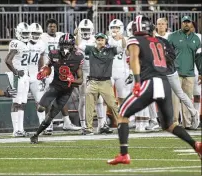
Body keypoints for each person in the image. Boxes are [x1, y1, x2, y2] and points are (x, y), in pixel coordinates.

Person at [107, 15, 202, 165]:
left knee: (122, 114)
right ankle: (195, 145)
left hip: (149, 82)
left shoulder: (135, 40)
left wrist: (137, 81)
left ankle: (124, 154)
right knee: (169, 124)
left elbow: (133, 59)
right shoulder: (158, 41)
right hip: (164, 82)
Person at [30, 33, 84, 144]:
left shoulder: (78, 57)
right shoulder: (54, 54)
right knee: (40, 108)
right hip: (55, 87)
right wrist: (44, 70)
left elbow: (80, 80)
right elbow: (48, 65)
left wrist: (71, 80)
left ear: (73, 46)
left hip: (66, 91)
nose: (65, 47)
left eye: (68, 45)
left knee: (50, 116)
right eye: (64, 45)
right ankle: (38, 131)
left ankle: (36, 135)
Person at [40, 19, 81, 134]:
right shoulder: (41, 37)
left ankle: (67, 122)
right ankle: (48, 125)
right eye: (50, 26)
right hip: (49, 68)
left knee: (62, 96)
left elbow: (73, 44)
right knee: (48, 97)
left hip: (60, 69)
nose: (52, 28)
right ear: (46, 28)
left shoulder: (61, 36)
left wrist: (76, 34)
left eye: (54, 26)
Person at [81, 32, 119, 134]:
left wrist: (121, 38)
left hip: (105, 82)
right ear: (95, 40)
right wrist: (78, 35)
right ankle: (88, 128)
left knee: (113, 104)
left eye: (102, 39)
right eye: (98, 39)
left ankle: (122, 124)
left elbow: (123, 48)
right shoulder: (91, 49)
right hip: (93, 81)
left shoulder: (111, 50)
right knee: (89, 105)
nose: (100, 41)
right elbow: (78, 46)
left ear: (105, 40)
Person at [75, 19, 108, 134]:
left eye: (87, 29)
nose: (85, 32)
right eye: (83, 29)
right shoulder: (77, 41)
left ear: (92, 30)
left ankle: (101, 125)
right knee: (83, 99)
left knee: (99, 99)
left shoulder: (96, 39)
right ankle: (83, 125)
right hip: (83, 71)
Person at [168, 16, 201, 129]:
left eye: (188, 22)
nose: (186, 24)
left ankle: (187, 123)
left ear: (191, 23)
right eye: (184, 22)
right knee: (175, 99)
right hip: (175, 72)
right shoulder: (173, 36)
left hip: (190, 73)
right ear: (181, 23)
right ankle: (175, 122)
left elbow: (198, 57)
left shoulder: (196, 39)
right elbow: (166, 54)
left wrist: (200, 72)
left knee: (187, 98)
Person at [5, 22, 31, 137]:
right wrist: (16, 72)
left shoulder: (26, 44)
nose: (25, 35)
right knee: (16, 102)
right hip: (17, 76)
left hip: (24, 75)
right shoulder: (15, 43)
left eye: (27, 33)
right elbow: (7, 60)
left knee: (22, 103)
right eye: (23, 33)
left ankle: (20, 129)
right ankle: (16, 130)